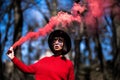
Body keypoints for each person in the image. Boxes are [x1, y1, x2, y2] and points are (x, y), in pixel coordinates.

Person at [7, 30, 75, 80]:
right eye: (54, 40)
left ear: (64, 44)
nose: (56, 42)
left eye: (60, 40)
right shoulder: (44, 60)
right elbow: (26, 69)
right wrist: (13, 57)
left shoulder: (68, 64)